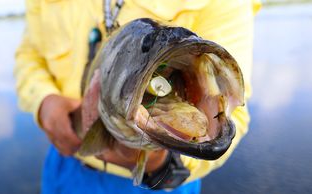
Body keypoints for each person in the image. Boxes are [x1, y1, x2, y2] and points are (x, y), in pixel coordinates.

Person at [14, 0, 261, 193]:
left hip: (155, 185)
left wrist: (158, 164)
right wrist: (43, 101)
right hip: (66, 163)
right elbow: (29, 55)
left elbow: (231, 115)